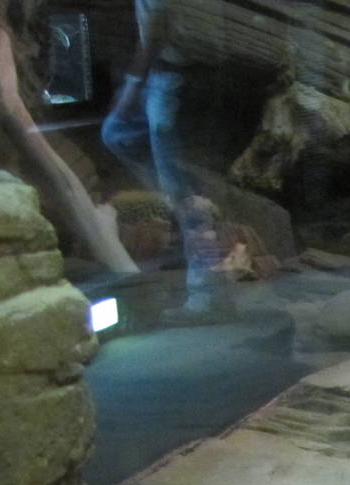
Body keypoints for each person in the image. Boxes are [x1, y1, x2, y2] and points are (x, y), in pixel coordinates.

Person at [101, 0, 229, 314]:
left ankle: (205, 297)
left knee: (187, 200)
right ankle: (177, 200)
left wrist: (133, 86)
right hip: (177, 75)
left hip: (174, 76)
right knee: (116, 133)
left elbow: (157, 26)